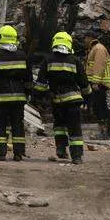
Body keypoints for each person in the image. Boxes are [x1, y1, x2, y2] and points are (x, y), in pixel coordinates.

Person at [34, 31, 89, 164]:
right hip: (73, 100)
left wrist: (39, 98)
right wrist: (87, 96)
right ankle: (76, 156)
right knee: (74, 128)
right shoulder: (75, 60)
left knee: (59, 126)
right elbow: (83, 83)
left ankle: (61, 149)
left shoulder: (48, 60)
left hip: (57, 101)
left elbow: (41, 84)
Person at [0, 25, 32, 161]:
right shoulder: (23, 56)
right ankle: (18, 153)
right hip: (18, 97)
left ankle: (0, 153)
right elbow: (28, 78)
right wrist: (27, 93)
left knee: (0, 125)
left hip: (0, 98)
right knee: (18, 124)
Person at [84, 36, 110, 139]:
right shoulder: (94, 49)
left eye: (85, 39)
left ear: (90, 38)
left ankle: (104, 133)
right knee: (98, 106)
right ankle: (103, 132)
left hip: (100, 84)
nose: (84, 42)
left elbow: (99, 65)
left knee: (100, 107)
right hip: (99, 83)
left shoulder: (98, 49)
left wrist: (95, 82)